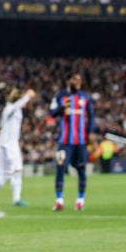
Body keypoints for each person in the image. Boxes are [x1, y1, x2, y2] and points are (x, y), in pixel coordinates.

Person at [49, 72, 94, 211]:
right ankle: (59, 201)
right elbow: (51, 113)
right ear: (69, 81)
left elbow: (92, 116)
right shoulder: (60, 95)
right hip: (64, 142)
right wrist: (63, 108)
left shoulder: (85, 97)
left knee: (81, 169)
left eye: (79, 80)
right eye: (75, 79)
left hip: (80, 143)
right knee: (60, 168)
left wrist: (91, 132)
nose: (77, 82)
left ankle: (80, 201)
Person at [0, 88, 35, 207]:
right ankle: (14, 198)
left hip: (7, 144)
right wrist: (27, 96)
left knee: (9, 173)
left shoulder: (15, 110)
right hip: (8, 145)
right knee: (13, 171)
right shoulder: (10, 108)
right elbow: (16, 106)